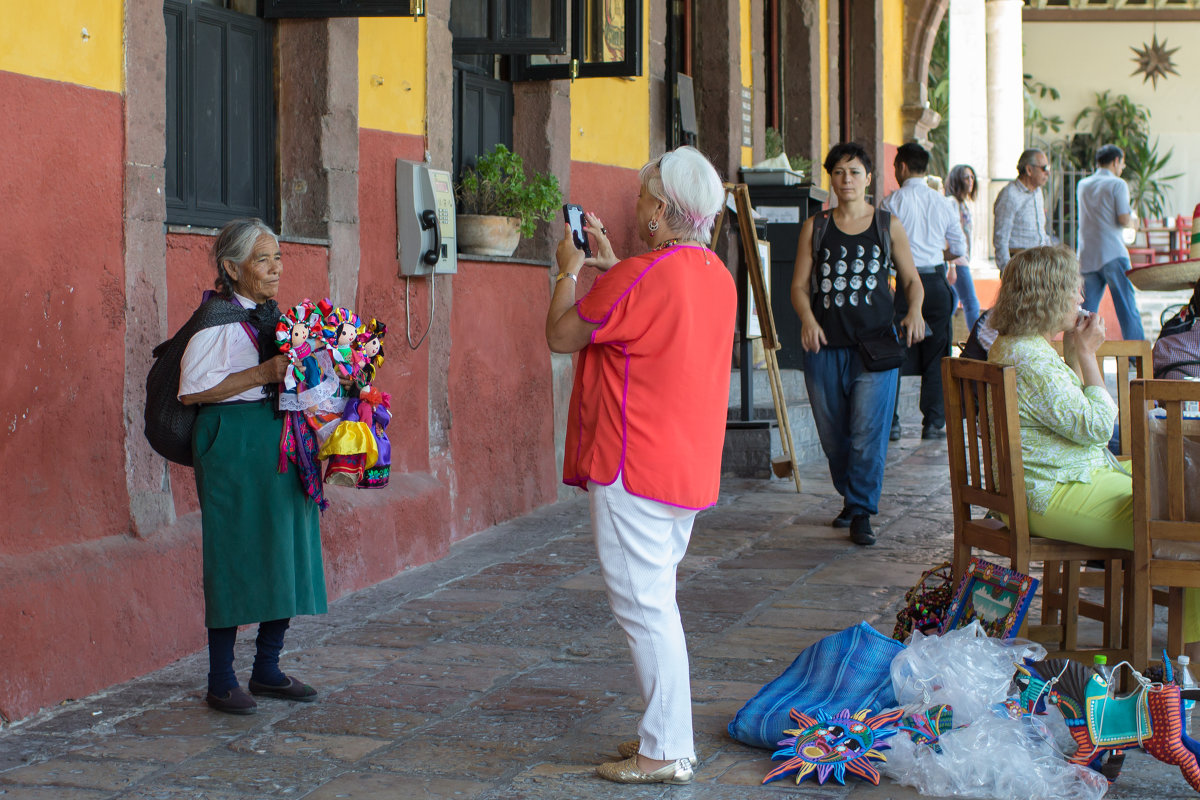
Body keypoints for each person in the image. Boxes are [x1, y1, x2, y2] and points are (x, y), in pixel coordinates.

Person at [544, 146, 735, 786]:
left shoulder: (639, 275)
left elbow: (564, 334)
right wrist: (613, 264)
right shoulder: (714, 273)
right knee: (659, 602)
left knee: (645, 609)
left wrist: (568, 272)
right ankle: (665, 736)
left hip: (634, 460)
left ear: (660, 209)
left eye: (645, 195)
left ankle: (667, 751)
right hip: (684, 463)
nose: (638, 204)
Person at [177, 219, 328, 715]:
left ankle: (267, 669)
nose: (276, 268)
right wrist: (263, 373)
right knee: (234, 552)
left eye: (278, 257)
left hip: (278, 438)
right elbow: (194, 390)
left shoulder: (273, 317)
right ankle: (221, 679)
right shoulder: (214, 320)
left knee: (282, 546)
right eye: (263, 259)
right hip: (232, 443)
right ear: (231, 268)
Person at [790, 142, 926, 546]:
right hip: (825, 348)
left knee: (869, 432)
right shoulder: (817, 227)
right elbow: (798, 286)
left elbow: (912, 279)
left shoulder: (887, 224)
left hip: (876, 350)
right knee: (834, 437)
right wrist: (808, 319)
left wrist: (914, 310)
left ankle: (863, 509)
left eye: (854, 172)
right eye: (838, 173)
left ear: (869, 178)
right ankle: (852, 495)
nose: (845, 180)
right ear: (830, 179)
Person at [880, 142, 967, 441]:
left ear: (902, 167)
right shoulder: (944, 203)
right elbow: (958, 249)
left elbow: (881, 249)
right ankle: (933, 422)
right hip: (935, 283)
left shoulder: (890, 204)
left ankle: (890, 423)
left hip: (902, 285)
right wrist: (935, 255)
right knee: (937, 353)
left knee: (893, 351)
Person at [1077, 144, 1144, 341]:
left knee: (1084, 313)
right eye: (1122, 163)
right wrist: (1134, 221)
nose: (1122, 167)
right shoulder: (1118, 184)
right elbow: (1123, 218)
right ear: (1116, 161)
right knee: (1127, 308)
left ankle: (1077, 355)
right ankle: (1136, 357)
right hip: (1113, 253)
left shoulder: (1083, 184)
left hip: (1087, 255)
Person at [993, 149, 1052, 272]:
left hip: (1040, 262)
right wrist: (1006, 271)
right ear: (1029, 170)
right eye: (1044, 168)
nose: (1048, 173)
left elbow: (1041, 231)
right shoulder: (1010, 194)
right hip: (1020, 263)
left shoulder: (1037, 192)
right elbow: (1001, 237)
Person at [946, 164, 983, 332]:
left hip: (963, 259)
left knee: (951, 303)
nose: (970, 181)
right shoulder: (952, 203)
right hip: (957, 261)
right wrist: (952, 265)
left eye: (972, 177)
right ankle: (976, 344)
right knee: (971, 303)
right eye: (966, 178)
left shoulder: (963, 204)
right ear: (957, 180)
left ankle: (942, 337)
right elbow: (949, 235)